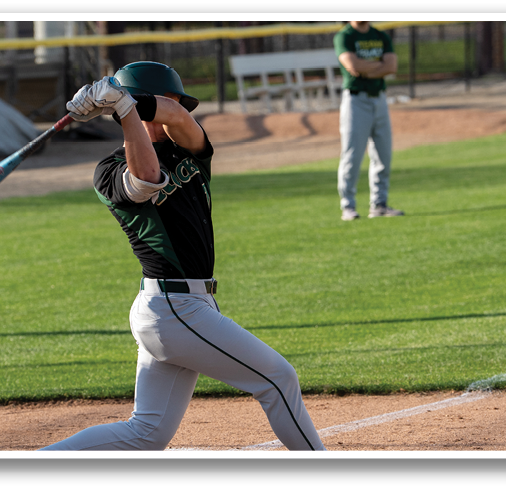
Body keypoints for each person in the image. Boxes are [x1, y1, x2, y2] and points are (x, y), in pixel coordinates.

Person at [40, 61, 326, 451]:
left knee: (147, 433)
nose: (176, 107)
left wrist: (126, 101)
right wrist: (125, 109)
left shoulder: (190, 149)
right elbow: (145, 179)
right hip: (172, 307)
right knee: (278, 378)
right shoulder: (109, 170)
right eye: (169, 97)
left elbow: (174, 116)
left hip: (187, 305)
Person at [334, 21, 404, 221]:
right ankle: (348, 206)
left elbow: (392, 66)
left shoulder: (380, 36)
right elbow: (353, 67)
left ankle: (379, 205)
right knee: (352, 154)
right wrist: (378, 67)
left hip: (379, 99)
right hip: (356, 100)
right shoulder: (345, 36)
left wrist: (369, 70)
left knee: (383, 155)